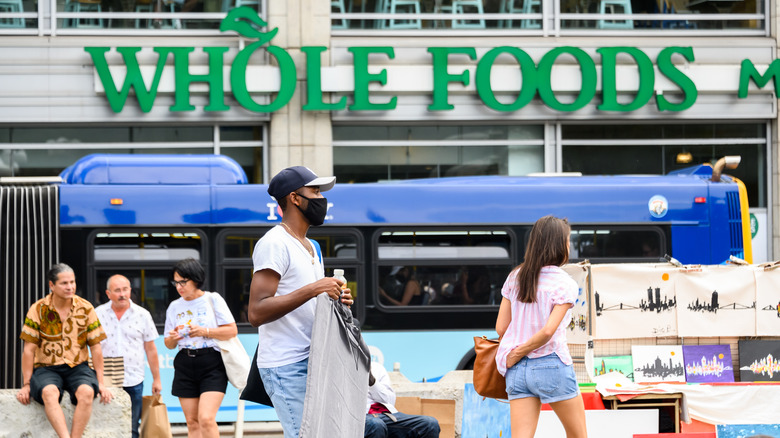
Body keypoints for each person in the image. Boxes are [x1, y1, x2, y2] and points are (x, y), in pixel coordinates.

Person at [248, 166, 353, 438]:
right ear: (295, 198)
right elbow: (256, 312)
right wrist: (314, 288)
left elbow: (310, 301)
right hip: (286, 365)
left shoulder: (311, 246)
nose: (321, 199)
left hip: (314, 358)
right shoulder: (274, 243)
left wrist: (336, 298)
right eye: (315, 191)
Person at [495, 216, 587, 438]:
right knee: (578, 435)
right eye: (567, 240)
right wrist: (521, 351)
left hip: (515, 369)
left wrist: (516, 353)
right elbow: (548, 331)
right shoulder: (565, 283)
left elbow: (500, 328)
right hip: (551, 363)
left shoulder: (515, 276)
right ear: (559, 244)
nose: (569, 245)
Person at [16, 263, 113, 438]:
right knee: (49, 392)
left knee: (87, 392)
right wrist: (26, 384)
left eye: (72, 282)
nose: (70, 287)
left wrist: (101, 383)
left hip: (78, 366)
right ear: (51, 285)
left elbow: (96, 348)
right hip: (46, 367)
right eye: (64, 283)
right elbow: (28, 350)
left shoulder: (86, 308)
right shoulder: (38, 309)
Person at [163, 258, 238, 438]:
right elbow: (168, 343)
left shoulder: (212, 299)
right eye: (176, 282)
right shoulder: (174, 306)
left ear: (195, 279)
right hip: (184, 362)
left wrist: (204, 331)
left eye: (183, 282)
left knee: (205, 418)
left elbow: (231, 330)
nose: (179, 287)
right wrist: (173, 337)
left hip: (211, 362)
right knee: (192, 421)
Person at [95, 274, 162, 438]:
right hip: (106, 379)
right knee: (107, 426)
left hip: (134, 378)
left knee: (132, 427)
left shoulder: (142, 314)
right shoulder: (97, 314)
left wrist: (157, 379)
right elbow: (90, 346)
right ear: (108, 293)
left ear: (130, 290)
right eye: (117, 290)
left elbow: (151, 349)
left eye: (125, 289)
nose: (122, 294)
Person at [364, 361, 440, 438]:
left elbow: (389, 401)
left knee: (430, 423)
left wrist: (372, 381)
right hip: (362, 417)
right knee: (376, 424)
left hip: (386, 415)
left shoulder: (376, 367)